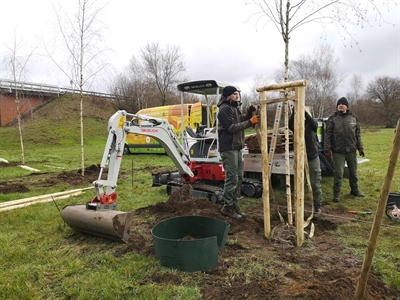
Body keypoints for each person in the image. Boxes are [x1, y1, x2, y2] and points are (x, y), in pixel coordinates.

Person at [217, 86, 259, 220]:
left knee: (239, 176)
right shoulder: (224, 109)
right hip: (228, 147)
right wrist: (250, 122)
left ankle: (234, 205)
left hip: (236, 147)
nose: (237, 96)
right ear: (228, 95)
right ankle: (227, 206)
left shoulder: (234, 108)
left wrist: (248, 113)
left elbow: (240, 120)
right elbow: (231, 128)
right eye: (234, 94)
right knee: (232, 178)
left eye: (237, 94)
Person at [324, 97, 365, 203]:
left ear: (347, 106)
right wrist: (327, 149)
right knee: (338, 173)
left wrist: (360, 147)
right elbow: (327, 135)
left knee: (353, 172)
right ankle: (336, 194)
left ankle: (354, 190)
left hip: (351, 150)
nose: (341, 105)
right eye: (339, 104)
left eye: (343, 104)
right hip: (338, 151)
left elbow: (358, 134)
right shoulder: (332, 118)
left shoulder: (353, 118)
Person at [289, 107, 323, 219]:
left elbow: (314, 124)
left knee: (315, 183)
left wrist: (303, 110)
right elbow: (290, 126)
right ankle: (299, 207)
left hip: (312, 157)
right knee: (299, 184)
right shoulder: (297, 125)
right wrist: (294, 112)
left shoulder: (312, 125)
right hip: (300, 158)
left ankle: (317, 207)